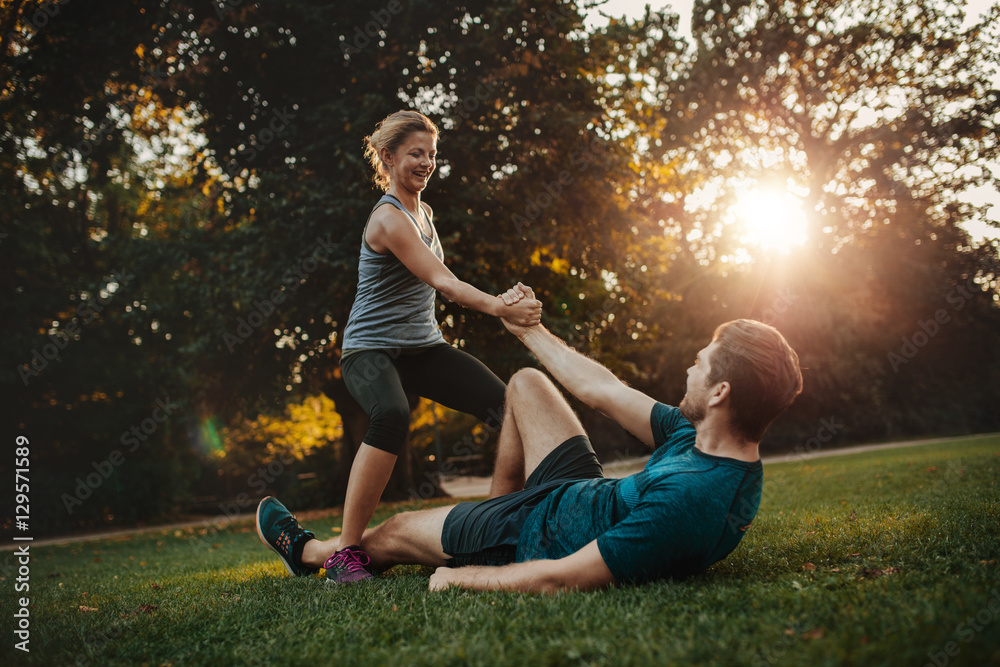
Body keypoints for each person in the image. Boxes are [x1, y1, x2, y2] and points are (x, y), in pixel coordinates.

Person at [257, 310, 802, 592]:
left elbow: (562, 578)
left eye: (700, 364)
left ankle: (306, 553)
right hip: (578, 493)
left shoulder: (692, 499)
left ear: (721, 392)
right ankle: (477, 528)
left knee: (392, 531)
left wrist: (465, 578)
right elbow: (604, 389)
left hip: (539, 533)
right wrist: (530, 329)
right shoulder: (701, 435)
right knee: (526, 384)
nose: (689, 367)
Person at [261, 110, 542, 584]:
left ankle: (504, 521)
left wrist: (502, 305)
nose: (427, 162)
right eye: (416, 153)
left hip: (421, 348)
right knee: (391, 415)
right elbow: (444, 282)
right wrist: (500, 308)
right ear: (388, 158)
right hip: (369, 352)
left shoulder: (424, 213)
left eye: (432, 154)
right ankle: (345, 555)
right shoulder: (389, 219)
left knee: (507, 406)